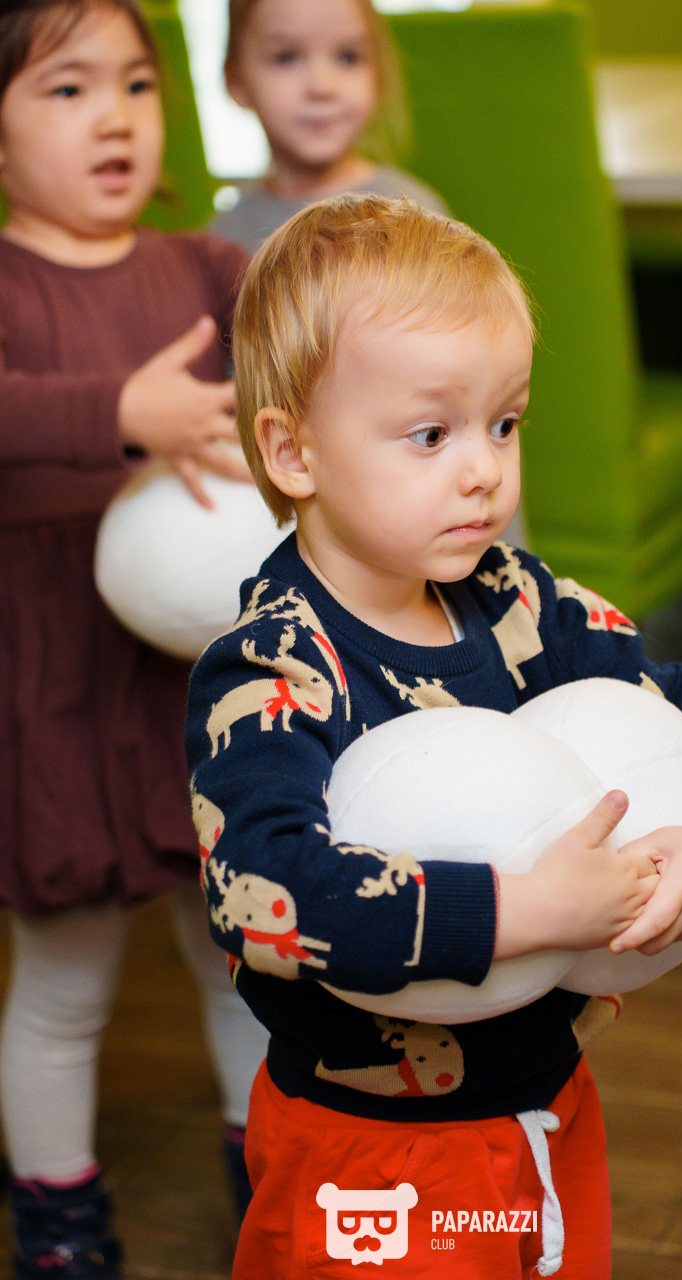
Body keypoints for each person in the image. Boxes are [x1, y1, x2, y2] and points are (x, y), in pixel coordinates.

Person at [185, 195, 682, 1280]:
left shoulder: (519, 605)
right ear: (293, 451)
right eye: (431, 434)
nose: (483, 471)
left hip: (547, 1102)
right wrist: (525, 912)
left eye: (503, 424)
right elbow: (267, 894)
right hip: (370, 1150)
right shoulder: (276, 669)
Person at [0, 2, 269, 1275]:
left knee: (241, 954)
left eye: (136, 84)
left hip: (202, 688)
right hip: (52, 689)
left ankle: (272, 1172)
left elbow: (298, 364)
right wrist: (122, 407)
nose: (112, 115)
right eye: (66, 89)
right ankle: (58, 1215)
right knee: (64, 985)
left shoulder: (207, 269)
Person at [210, 0, 448, 256]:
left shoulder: (417, 219)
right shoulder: (221, 242)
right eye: (286, 57)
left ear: (378, 74)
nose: (322, 86)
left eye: (348, 57)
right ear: (236, 81)